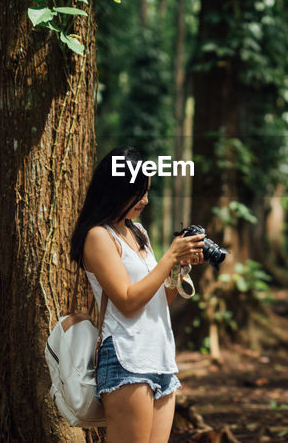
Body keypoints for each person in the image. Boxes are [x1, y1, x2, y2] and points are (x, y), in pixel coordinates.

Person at [69, 146, 205, 443]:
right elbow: (127, 301)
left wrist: (179, 267)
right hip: (126, 360)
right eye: (138, 192)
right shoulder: (98, 236)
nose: (145, 200)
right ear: (116, 190)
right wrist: (169, 257)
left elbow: (161, 300)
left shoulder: (139, 232)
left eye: (147, 191)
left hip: (161, 358)